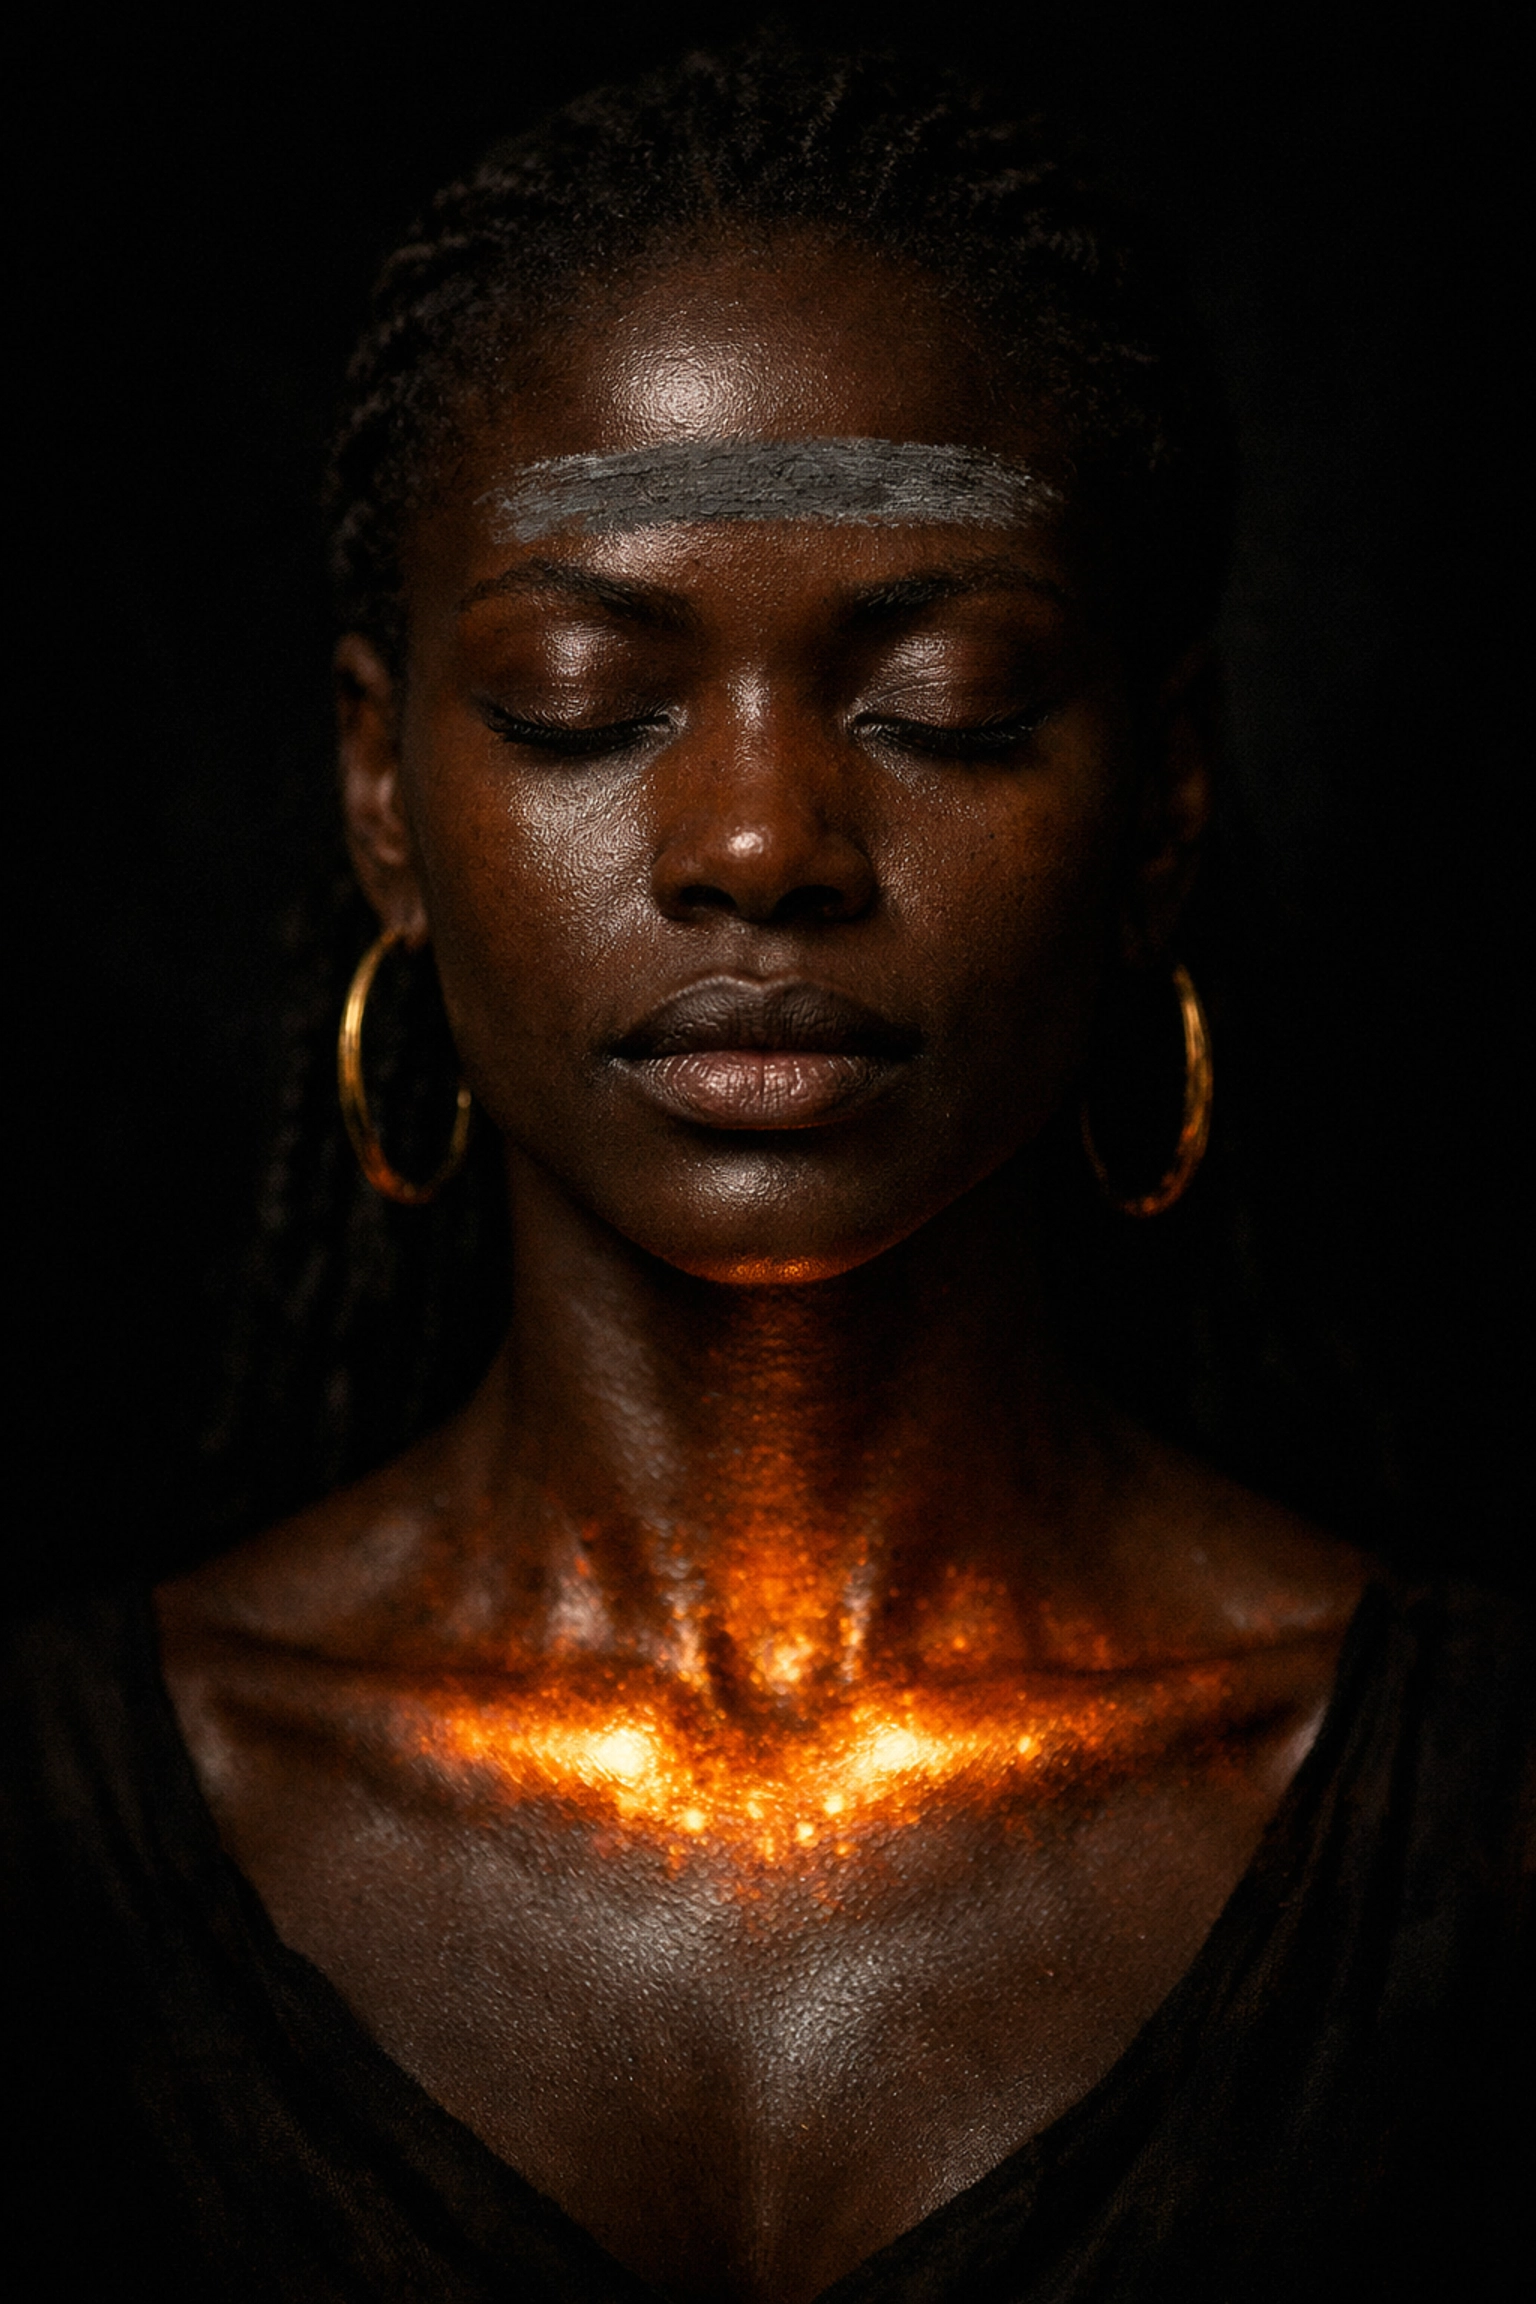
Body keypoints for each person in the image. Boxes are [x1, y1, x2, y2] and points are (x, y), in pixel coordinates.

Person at [3, 41, 1527, 2304]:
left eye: (947, 699)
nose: (756, 847)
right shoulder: (58, 1824)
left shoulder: (1480, 1829)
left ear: (1167, 793)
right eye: (579, 702)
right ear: (381, 794)